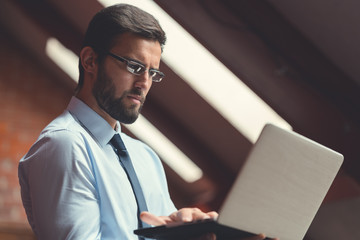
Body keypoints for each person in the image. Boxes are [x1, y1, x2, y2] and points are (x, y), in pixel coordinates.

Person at [18, 4, 274, 240]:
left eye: (152, 72)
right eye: (134, 66)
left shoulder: (145, 157)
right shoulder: (63, 146)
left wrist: (192, 232)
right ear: (90, 60)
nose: (144, 83)